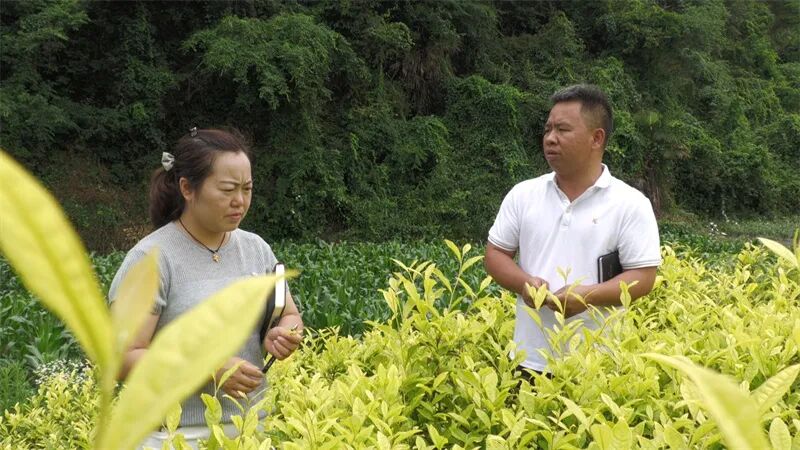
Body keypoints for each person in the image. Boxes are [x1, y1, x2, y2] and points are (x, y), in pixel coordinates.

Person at [107, 128, 303, 449]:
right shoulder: (151, 259)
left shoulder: (257, 249)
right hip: (174, 436)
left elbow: (289, 315)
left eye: (247, 189)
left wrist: (284, 333)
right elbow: (122, 358)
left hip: (251, 430)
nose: (240, 201)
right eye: (227, 189)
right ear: (187, 188)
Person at [484, 85, 661, 380]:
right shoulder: (523, 194)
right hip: (528, 361)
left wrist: (588, 296)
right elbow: (495, 254)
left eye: (563, 129)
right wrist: (524, 284)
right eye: (548, 129)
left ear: (597, 138)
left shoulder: (630, 204)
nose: (550, 138)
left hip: (597, 365)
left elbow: (643, 277)